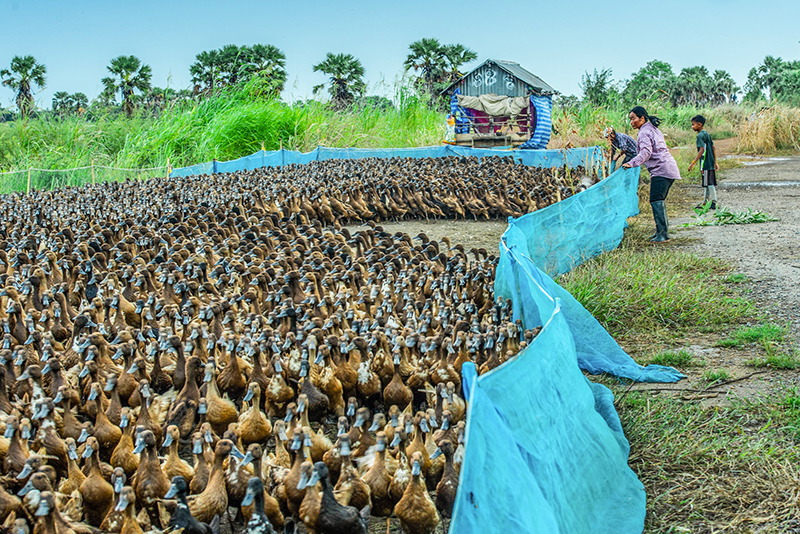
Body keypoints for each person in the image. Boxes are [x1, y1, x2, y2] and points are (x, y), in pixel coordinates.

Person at [622, 106, 681, 243]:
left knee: (656, 200)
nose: (631, 122)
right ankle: (660, 232)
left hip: (662, 169)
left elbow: (646, 153)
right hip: (667, 168)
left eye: (633, 119)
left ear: (642, 118)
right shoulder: (651, 128)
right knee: (658, 199)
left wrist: (631, 163)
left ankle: (663, 234)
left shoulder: (644, 132)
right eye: (630, 119)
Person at [687, 115, 719, 209]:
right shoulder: (706, 134)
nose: (692, 127)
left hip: (705, 163)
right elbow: (713, 147)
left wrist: (693, 162)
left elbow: (701, 150)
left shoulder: (700, 136)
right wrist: (715, 162)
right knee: (707, 182)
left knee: (709, 183)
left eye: (693, 125)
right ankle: (705, 202)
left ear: (699, 124)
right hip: (710, 162)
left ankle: (714, 202)